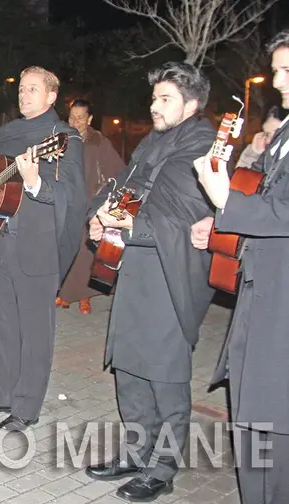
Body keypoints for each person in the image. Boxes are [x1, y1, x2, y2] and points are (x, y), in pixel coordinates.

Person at [83, 62, 216, 502]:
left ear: (191, 105)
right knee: (130, 366)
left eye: (165, 99)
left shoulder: (201, 142)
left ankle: (162, 468)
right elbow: (119, 186)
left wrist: (116, 223)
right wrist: (98, 216)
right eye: (154, 97)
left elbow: (173, 211)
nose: (154, 105)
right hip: (135, 266)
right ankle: (136, 452)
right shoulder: (152, 141)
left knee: (164, 374)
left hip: (169, 272)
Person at [0, 66, 85, 432]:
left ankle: (26, 406)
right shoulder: (7, 132)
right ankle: (0, 395)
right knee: (1, 326)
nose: (24, 95)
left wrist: (37, 183)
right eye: (22, 89)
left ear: (52, 96)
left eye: (33, 90)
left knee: (35, 331)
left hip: (38, 247)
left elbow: (72, 195)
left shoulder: (64, 137)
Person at [192, 30, 289, 504]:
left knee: (272, 422)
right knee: (251, 416)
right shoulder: (284, 133)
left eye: (288, 70)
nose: (278, 79)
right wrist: (220, 223)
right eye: (277, 69)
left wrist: (227, 200)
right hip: (262, 289)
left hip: (282, 300)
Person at [57, 98, 125, 314]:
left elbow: (118, 173)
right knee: (65, 247)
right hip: (66, 202)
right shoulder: (62, 138)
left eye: (80, 118)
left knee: (85, 253)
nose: (75, 122)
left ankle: (84, 296)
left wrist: (103, 197)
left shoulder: (98, 142)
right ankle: (64, 293)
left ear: (90, 119)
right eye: (72, 117)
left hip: (89, 204)